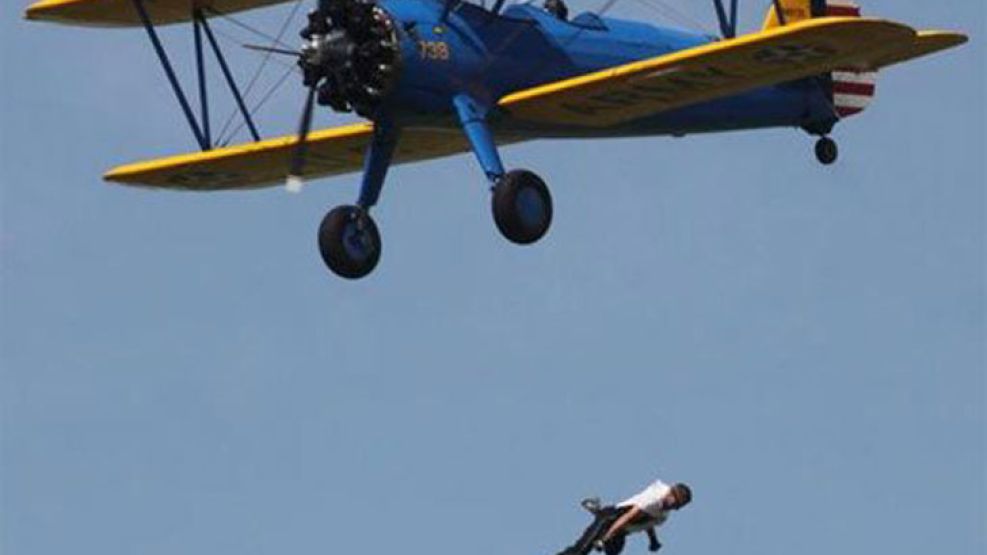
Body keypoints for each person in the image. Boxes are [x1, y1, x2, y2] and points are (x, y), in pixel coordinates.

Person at [557, 480, 692, 555]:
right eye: (673, 499)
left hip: (620, 532)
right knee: (581, 551)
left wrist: (653, 541)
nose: (672, 504)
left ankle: (597, 509)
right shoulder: (654, 498)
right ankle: (599, 512)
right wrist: (604, 539)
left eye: (676, 504)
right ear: (669, 492)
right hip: (610, 519)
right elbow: (627, 517)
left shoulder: (662, 516)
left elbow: (649, 524)